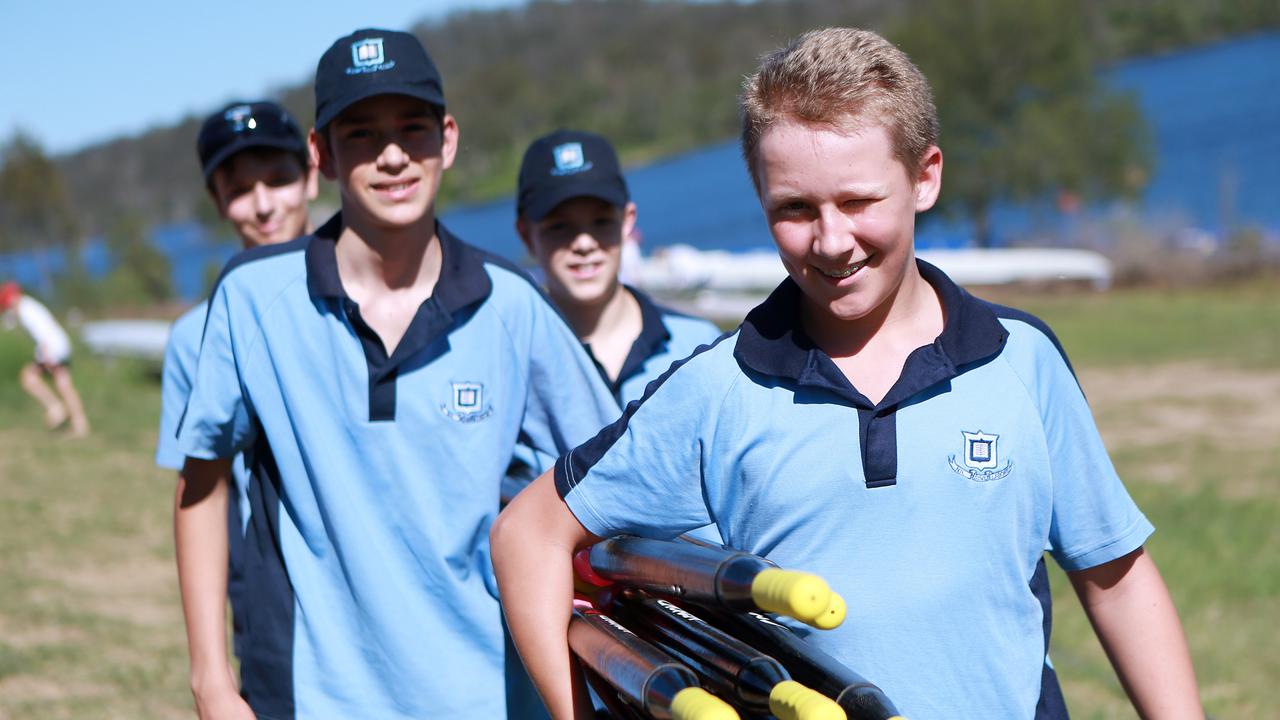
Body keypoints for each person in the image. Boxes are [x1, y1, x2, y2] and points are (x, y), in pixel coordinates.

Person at [491, 27, 1204, 720]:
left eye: (859, 202)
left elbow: (1116, 583)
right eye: (795, 210)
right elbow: (529, 535)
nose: (832, 241)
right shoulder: (718, 390)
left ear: (925, 177)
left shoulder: (1019, 358)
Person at [173, 28, 617, 719]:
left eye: (412, 129)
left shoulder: (511, 309)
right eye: (361, 134)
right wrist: (211, 681)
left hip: (490, 695)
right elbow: (201, 484)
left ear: (448, 139)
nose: (391, 156)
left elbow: (614, 473)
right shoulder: (252, 299)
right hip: (318, 698)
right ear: (320, 154)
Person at [155, 99, 317, 665]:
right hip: (270, 604)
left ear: (313, 175)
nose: (265, 204)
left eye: (279, 179)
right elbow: (201, 485)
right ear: (218, 201)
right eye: (242, 189)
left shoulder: (372, 303)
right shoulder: (191, 338)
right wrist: (211, 671)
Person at [516, 129, 722, 407]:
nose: (584, 243)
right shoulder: (513, 364)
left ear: (628, 222)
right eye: (559, 227)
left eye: (601, 222)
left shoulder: (700, 347)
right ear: (527, 236)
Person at [0, 281, 90, 437]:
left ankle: (57, 408)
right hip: (59, 346)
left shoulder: (25, 311)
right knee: (63, 385)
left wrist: (47, 358)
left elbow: (43, 335)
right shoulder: (28, 306)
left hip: (52, 349)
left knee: (29, 378)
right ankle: (79, 423)